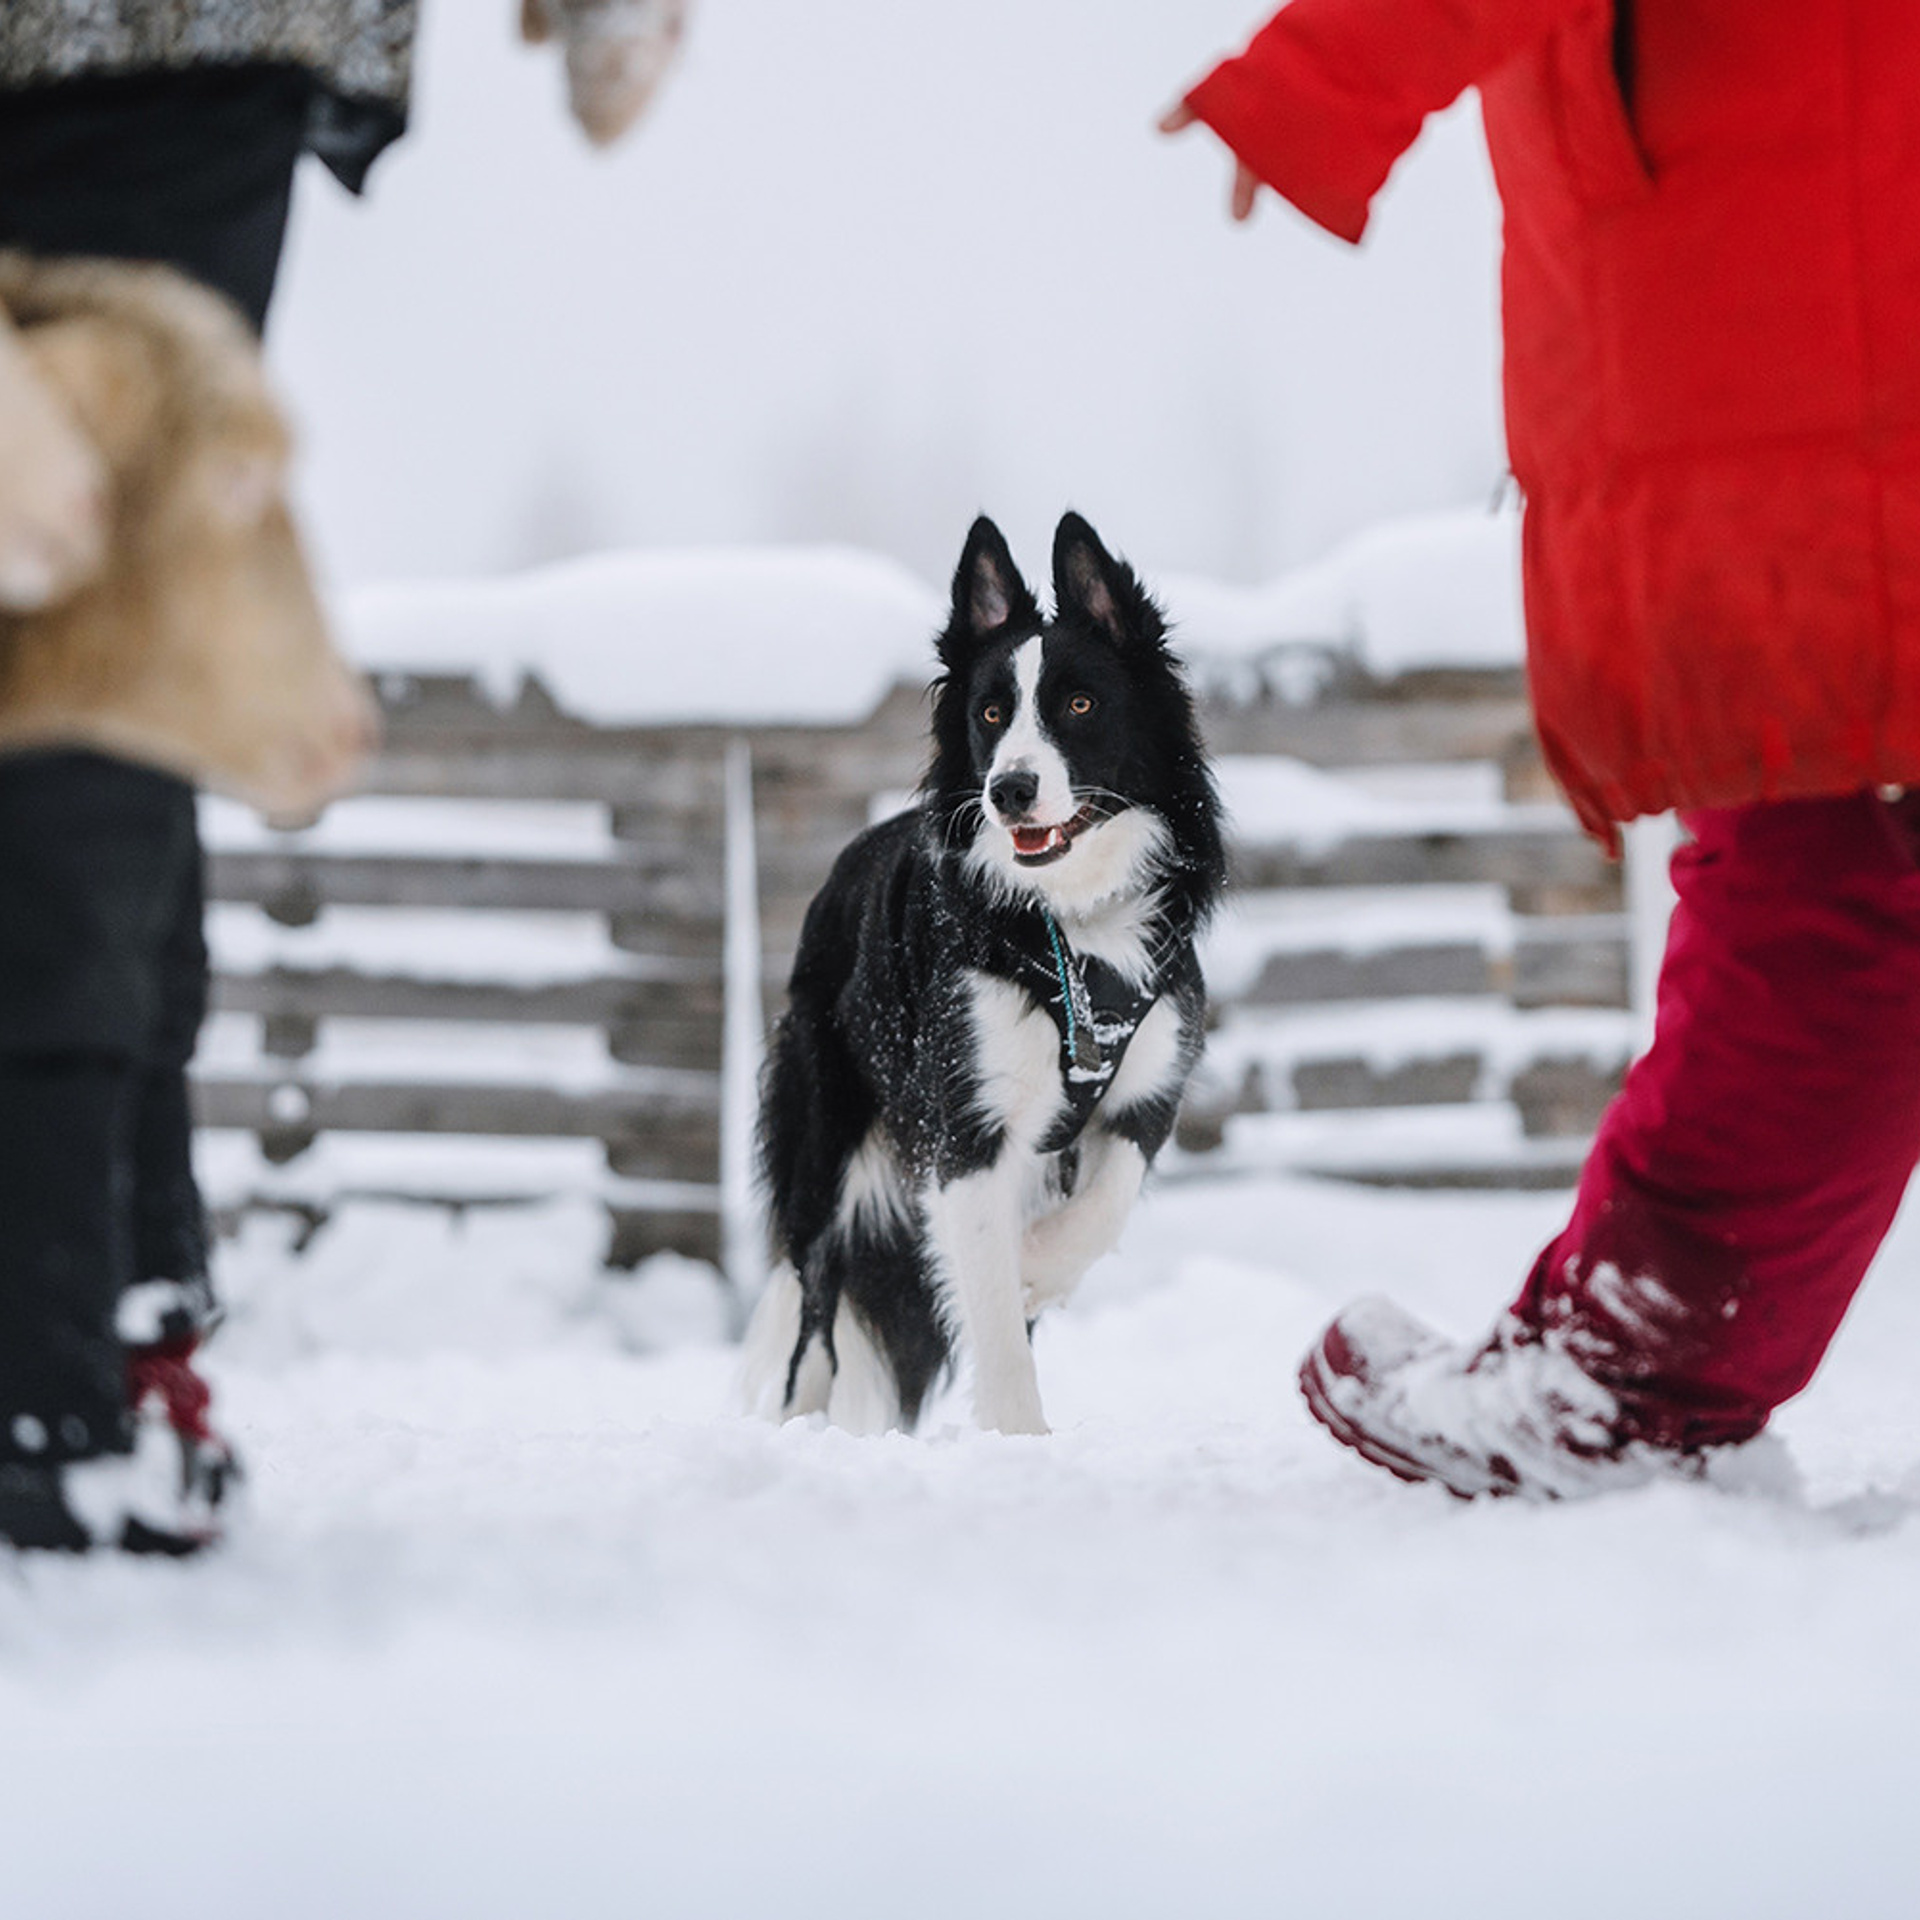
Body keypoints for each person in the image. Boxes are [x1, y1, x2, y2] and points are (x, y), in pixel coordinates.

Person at [1163, 1, 1920, 1497]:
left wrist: (1324, 75)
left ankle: (1628, 1385)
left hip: (1802, 307)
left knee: (1831, 862)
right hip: (1819, 264)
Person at [0, 0, 687, 1555]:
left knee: (82, 608)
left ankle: (65, 1369)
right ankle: (98, 1328)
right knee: (88, 616)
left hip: (139, 48)